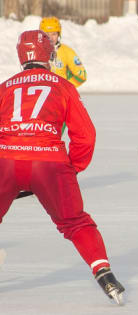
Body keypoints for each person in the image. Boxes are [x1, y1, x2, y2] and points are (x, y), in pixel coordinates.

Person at [0, 30, 124, 304]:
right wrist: (72, 168)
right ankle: (104, 273)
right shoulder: (63, 86)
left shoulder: (5, 86)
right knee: (75, 222)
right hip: (49, 163)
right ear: (49, 55)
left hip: (6, 160)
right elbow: (85, 135)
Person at [39, 16, 87, 88]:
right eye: (47, 34)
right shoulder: (36, 51)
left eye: (54, 34)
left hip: (61, 96)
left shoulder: (67, 52)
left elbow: (82, 76)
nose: (50, 38)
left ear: (59, 34)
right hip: (41, 95)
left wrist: (66, 87)